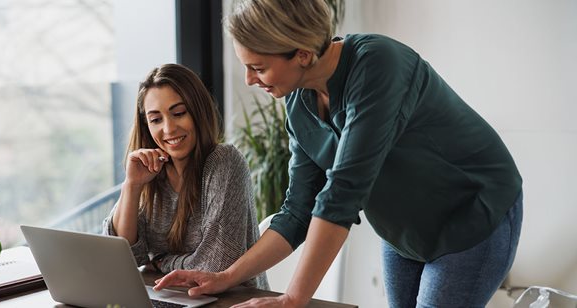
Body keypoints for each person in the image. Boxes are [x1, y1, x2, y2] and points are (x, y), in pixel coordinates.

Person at [154, 0, 523, 307]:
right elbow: (298, 211)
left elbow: (342, 194)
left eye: (258, 67)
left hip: (472, 213)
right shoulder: (298, 102)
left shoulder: (379, 65)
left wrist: (293, 299)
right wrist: (226, 277)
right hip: (404, 230)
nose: (250, 80)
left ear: (301, 54)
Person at [102, 63, 268, 289]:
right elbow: (121, 258)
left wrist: (162, 261)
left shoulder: (224, 162)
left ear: (197, 111)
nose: (169, 129)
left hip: (231, 302)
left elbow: (217, 264)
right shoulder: (151, 173)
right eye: (156, 120)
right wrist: (132, 185)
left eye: (178, 113)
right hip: (171, 297)